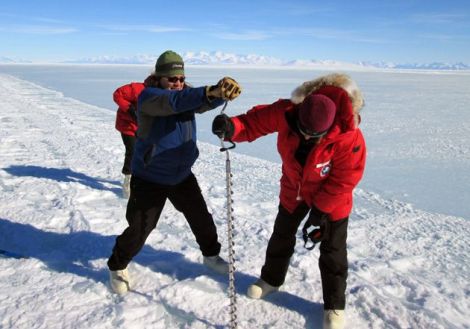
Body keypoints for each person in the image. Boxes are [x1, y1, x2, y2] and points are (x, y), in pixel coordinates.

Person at [212, 73, 365, 329]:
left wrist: (319, 214)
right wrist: (232, 128)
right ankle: (271, 280)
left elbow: (345, 179)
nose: (306, 138)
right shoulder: (287, 111)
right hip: (294, 189)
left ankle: (334, 306)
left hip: (332, 198)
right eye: (303, 132)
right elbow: (253, 123)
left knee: (333, 251)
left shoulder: (348, 135)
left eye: (313, 136)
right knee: (281, 235)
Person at [107, 50, 242, 295]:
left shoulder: (183, 95)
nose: (178, 84)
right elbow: (173, 103)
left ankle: (211, 255)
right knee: (140, 228)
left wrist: (217, 95)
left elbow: (197, 102)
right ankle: (117, 265)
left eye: (181, 79)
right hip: (150, 176)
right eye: (172, 79)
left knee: (201, 218)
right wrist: (209, 90)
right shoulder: (149, 97)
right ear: (159, 77)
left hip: (181, 174)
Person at [113, 75, 154, 198]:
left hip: (144, 128)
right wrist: (130, 109)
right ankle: (128, 180)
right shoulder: (137, 88)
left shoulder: (162, 92)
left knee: (149, 152)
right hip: (128, 126)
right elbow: (117, 94)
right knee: (133, 151)